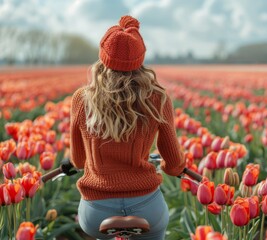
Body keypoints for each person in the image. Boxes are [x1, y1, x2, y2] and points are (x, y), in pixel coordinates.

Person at [69, 15, 185, 240]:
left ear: (103, 59)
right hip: (146, 206)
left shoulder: (82, 99)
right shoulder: (157, 98)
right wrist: (174, 167)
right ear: (140, 61)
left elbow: (78, 160)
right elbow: (172, 163)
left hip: (96, 210)